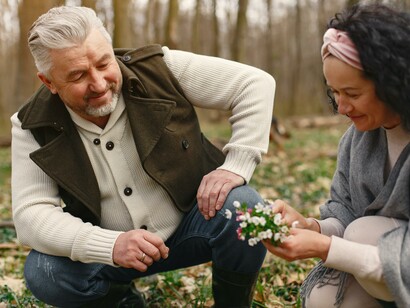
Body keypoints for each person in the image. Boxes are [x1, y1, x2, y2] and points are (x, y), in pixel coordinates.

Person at [11, 5, 275, 308]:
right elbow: (31, 215)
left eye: (103, 63)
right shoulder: (31, 124)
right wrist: (110, 245)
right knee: (45, 273)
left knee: (249, 209)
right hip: (110, 255)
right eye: (78, 75)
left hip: (194, 227)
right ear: (48, 82)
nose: (98, 84)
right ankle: (122, 301)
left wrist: (237, 164)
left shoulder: (160, 69)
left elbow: (255, 84)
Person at [263, 3, 410, 308]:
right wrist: (311, 227)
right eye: (334, 93)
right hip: (379, 270)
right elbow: (344, 212)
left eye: (353, 94)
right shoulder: (356, 141)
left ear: (393, 84)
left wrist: (326, 247)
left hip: (396, 263)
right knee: (323, 299)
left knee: (363, 234)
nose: (341, 108)